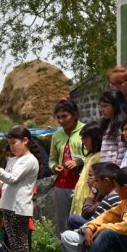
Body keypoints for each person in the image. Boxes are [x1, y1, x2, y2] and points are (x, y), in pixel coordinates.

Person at [58, 162, 121, 252]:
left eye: (97, 181)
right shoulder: (110, 196)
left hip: (102, 237)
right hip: (98, 231)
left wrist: (93, 193)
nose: (95, 185)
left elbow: (87, 213)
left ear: (107, 181)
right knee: (78, 227)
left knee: (67, 234)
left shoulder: (111, 197)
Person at [48, 97, 85, 236]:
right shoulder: (57, 135)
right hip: (61, 185)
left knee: (80, 222)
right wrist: (54, 167)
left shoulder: (86, 130)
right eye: (58, 117)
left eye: (65, 116)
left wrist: (79, 162)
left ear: (74, 114)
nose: (61, 121)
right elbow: (51, 159)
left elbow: (95, 156)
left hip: (82, 183)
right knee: (63, 224)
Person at [69, 122, 103, 220]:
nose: (83, 142)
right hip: (80, 195)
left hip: (88, 196)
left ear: (95, 138)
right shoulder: (90, 156)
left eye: (85, 138)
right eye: (82, 139)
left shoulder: (99, 156)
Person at [98, 89, 127, 165]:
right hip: (106, 170)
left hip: (114, 172)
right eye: (101, 106)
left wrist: (117, 173)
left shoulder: (121, 126)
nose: (102, 110)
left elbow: (122, 151)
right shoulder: (108, 124)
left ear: (116, 106)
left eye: (105, 106)